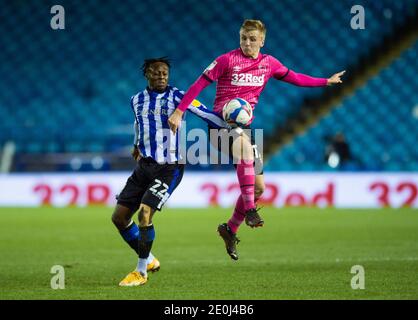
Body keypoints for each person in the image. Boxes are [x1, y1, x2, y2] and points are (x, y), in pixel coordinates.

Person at [168, 19, 345, 260]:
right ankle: (250, 209)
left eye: (252, 39)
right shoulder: (225, 60)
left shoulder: (269, 63)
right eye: (243, 38)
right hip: (221, 126)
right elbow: (198, 85)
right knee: (243, 147)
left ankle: (229, 229)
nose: (247, 43)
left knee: (259, 187)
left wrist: (325, 81)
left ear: (262, 41)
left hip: (246, 130)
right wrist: (179, 112)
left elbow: (295, 77)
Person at [111, 57, 227, 286]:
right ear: (147, 75)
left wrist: (230, 124)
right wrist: (136, 145)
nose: (161, 76)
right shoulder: (136, 100)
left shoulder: (179, 97)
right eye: (156, 73)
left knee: (145, 214)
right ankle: (150, 258)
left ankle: (141, 272)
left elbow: (206, 113)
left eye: (165, 73)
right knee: (119, 218)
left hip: (169, 167)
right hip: (144, 166)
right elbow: (139, 124)